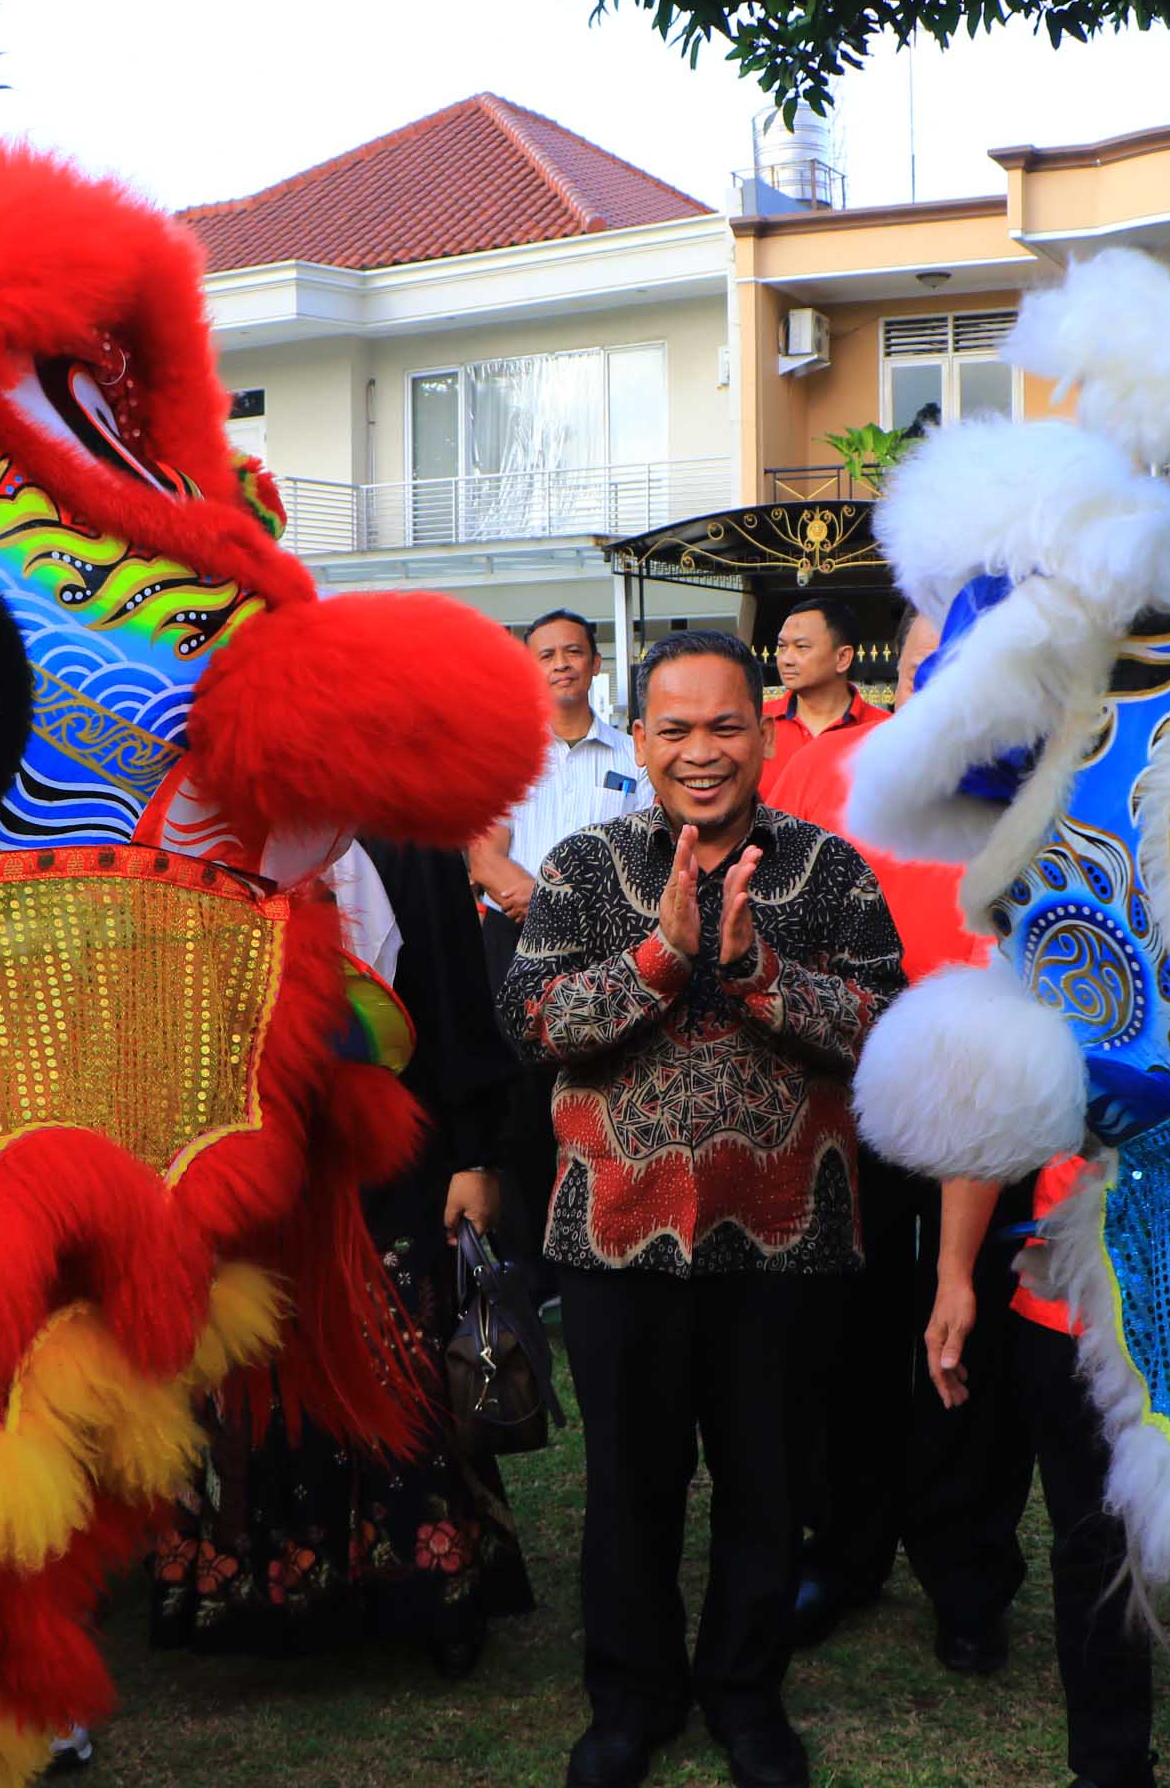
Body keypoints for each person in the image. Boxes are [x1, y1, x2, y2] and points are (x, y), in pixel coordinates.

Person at [500, 631, 904, 1788]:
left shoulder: (828, 872)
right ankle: (629, 1703)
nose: (701, 751)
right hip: (616, 1237)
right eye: (674, 729)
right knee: (630, 1487)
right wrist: (662, 957)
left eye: (725, 725)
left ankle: (744, 1694)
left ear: (764, 734)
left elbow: (890, 1032)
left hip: (787, 1241)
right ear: (641, 742)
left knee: (766, 1484)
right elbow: (532, 1025)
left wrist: (768, 975)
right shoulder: (581, 868)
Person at [150, 839, 536, 1675]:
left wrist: (475, 1155)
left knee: (398, 1357)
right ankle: (274, 1594)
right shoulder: (201, 823)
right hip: (246, 1154)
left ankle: (425, 1587)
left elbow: (455, 998)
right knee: (259, 1357)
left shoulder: (409, 835)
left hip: (392, 1151)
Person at [767, 610, 1009, 1664]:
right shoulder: (830, 769)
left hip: (993, 1100)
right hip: (852, 1096)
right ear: (898, 672)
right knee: (851, 1340)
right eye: (928, 657)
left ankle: (968, 1577)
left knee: (971, 1344)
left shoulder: (1033, 785)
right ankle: (848, 1548)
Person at [925, 1155, 1170, 1788]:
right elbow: (990, 1105)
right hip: (1077, 1299)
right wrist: (953, 1273)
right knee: (1091, 1544)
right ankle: (1107, 1768)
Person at [470, 610, 646, 1279]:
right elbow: (485, 858)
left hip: (606, 949)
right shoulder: (504, 754)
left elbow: (645, 856)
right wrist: (550, 910)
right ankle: (526, 1263)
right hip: (512, 940)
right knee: (520, 1098)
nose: (562, 663)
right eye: (546, 654)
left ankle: (600, 1245)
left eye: (574, 651)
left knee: (597, 1091)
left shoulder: (632, 757)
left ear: (596, 664)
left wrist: (574, 919)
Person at [759, 596, 886, 803]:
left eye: (801, 647)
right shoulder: (758, 724)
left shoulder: (882, 731)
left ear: (843, 657)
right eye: (782, 647)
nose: (786, 659)